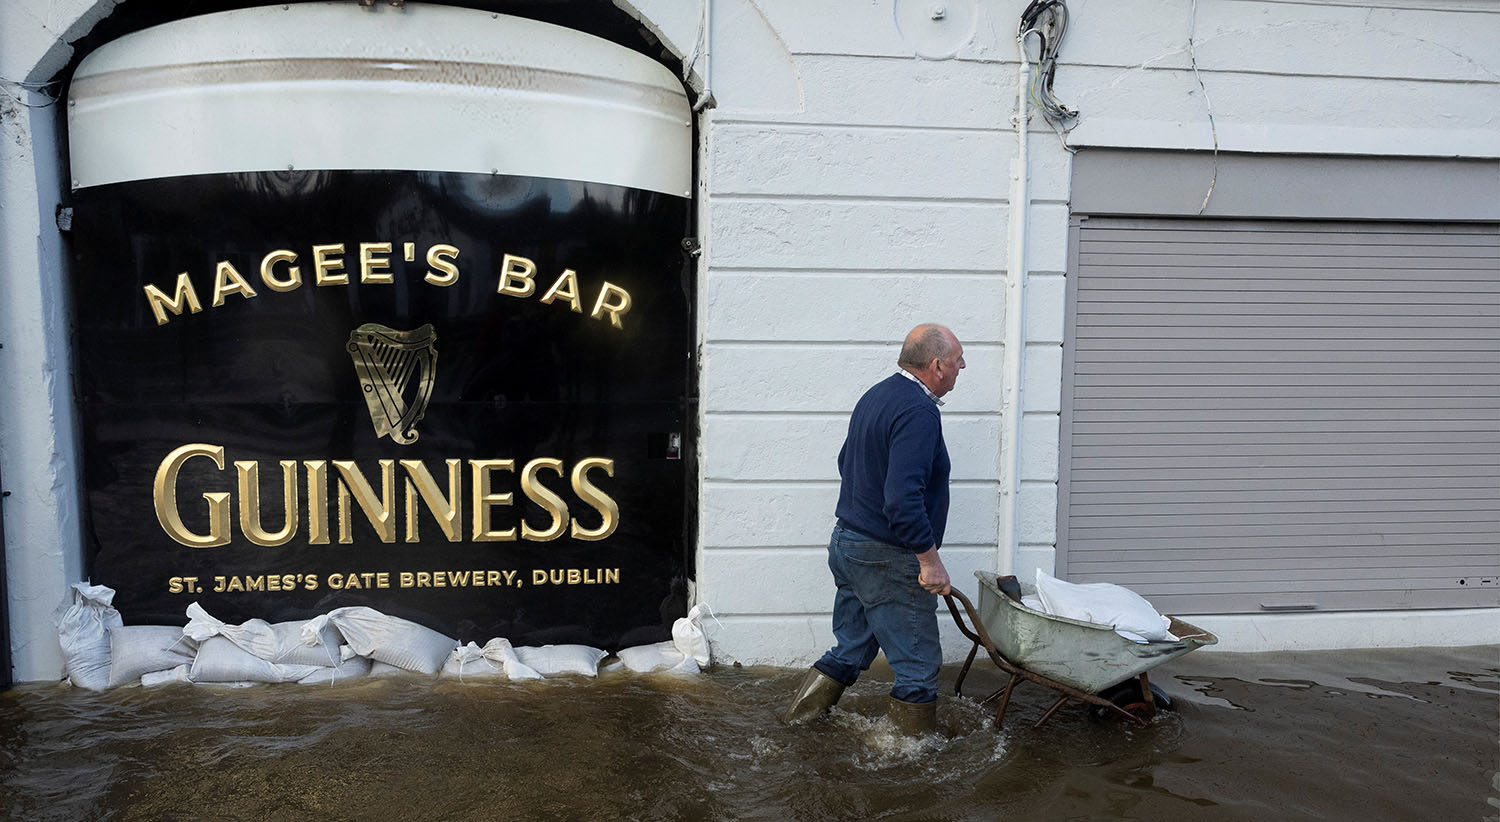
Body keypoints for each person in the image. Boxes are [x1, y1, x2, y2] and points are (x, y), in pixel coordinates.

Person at [780, 323, 964, 735]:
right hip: (886, 557)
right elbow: (901, 499)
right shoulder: (918, 411)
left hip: (849, 544)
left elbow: (847, 463)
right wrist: (929, 562)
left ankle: (793, 727)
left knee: (851, 647)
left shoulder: (877, 395)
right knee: (917, 665)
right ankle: (911, 760)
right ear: (936, 365)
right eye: (957, 362)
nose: (961, 367)